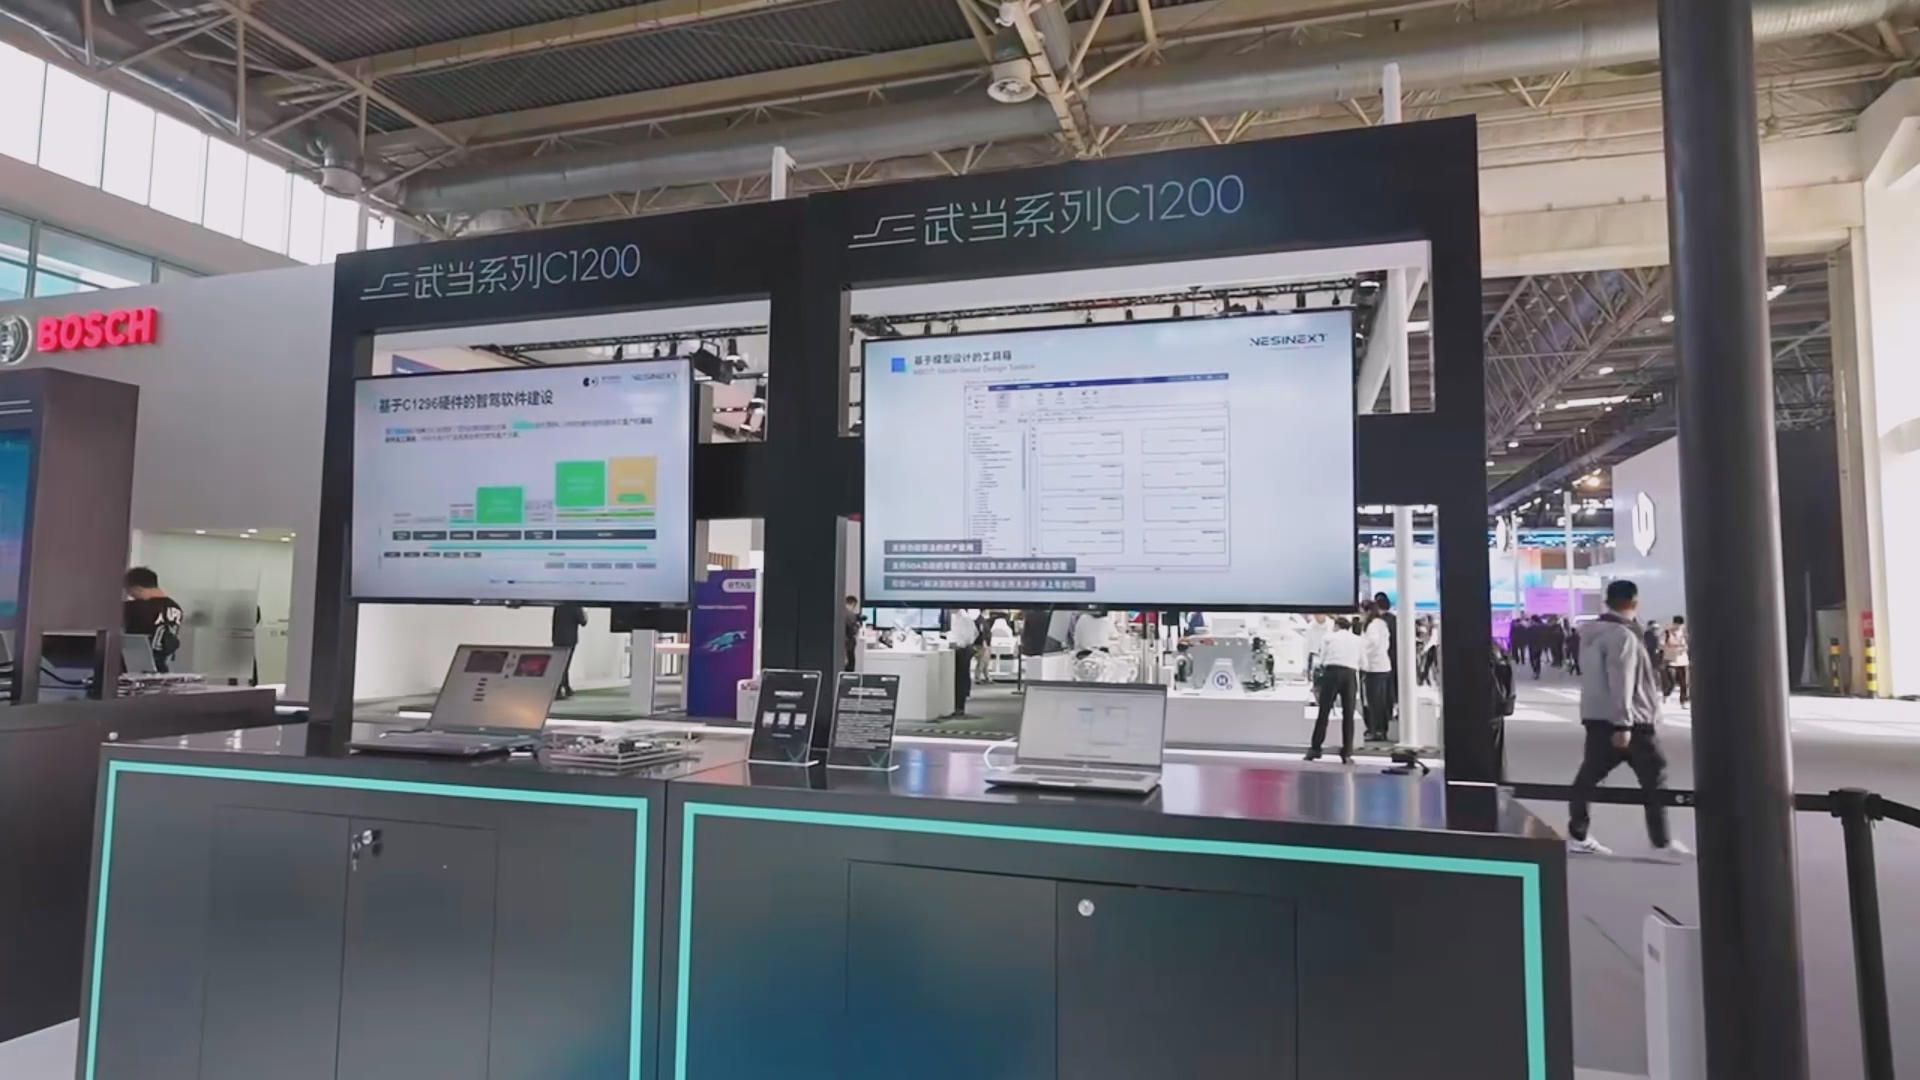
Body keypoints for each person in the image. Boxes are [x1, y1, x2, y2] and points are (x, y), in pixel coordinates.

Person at [1567, 580, 1689, 857]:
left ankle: (1578, 833)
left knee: (1589, 776)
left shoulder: (1589, 633)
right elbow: (1621, 679)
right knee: (1655, 774)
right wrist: (1623, 724)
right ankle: (1661, 842)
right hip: (1631, 720)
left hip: (1596, 715)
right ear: (1635, 602)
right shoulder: (1622, 635)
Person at [1306, 617, 1363, 764]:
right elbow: (1363, 661)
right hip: (1350, 675)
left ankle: (1315, 749)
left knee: (1324, 712)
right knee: (1348, 714)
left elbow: (1322, 659)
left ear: (1337, 626)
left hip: (1332, 673)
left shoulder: (1328, 638)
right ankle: (1347, 753)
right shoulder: (1358, 640)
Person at [123, 567, 184, 673]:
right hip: (161, 668)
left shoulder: (136, 608)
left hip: (136, 668)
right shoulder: (176, 608)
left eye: (131, 593)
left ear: (138, 589)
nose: (130, 596)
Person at [1361, 601, 1394, 743]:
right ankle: (1381, 729)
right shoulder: (1382, 624)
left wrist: (1363, 654)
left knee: (1374, 702)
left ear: (1367, 611)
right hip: (1384, 665)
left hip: (1374, 667)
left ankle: (1377, 731)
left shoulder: (1373, 625)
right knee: (1381, 701)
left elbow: (1372, 643)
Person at [946, 608, 980, 718]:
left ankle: (959, 707)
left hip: (962, 650)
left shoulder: (965, 618)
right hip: (957, 650)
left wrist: (957, 644)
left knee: (960, 679)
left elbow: (970, 636)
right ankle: (955, 706)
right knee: (956, 679)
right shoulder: (954, 617)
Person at [550, 602, 587, 699]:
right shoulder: (576, 607)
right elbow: (583, 622)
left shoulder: (558, 607)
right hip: (569, 640)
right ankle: (558, 690)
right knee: (565, 665)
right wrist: (584, 612)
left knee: (561, 664)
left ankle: (566, 688)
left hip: (557, 638)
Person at [1662, 615, 1691, 706]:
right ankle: (1667, 694)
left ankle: (1684, 700)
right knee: (1672, 681)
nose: (1678, 627)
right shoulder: (1667, 633)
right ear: (1674, 624)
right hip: (1671, 660)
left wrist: (1684, 647)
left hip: (1682, 660)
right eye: (1677, 624)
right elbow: (1662, 644)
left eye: (1680, 625)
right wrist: (1671, 647)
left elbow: (1688, 644)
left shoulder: (1685, 633)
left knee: (1684, 683)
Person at [1303, 613, 1331, 681]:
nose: (1318, 616)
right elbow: (1306, 646)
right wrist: (1305, 667)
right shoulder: (1310, 627)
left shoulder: (1331, 625)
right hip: (1314, 656)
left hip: (1329, 657)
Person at [842, 596, 862, 672]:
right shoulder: (850, 615)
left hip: (841, 644)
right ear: (853, 604)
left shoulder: (839, 612)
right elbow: (853, 631)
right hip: (848, 644)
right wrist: (858, 625)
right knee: (850, 665)